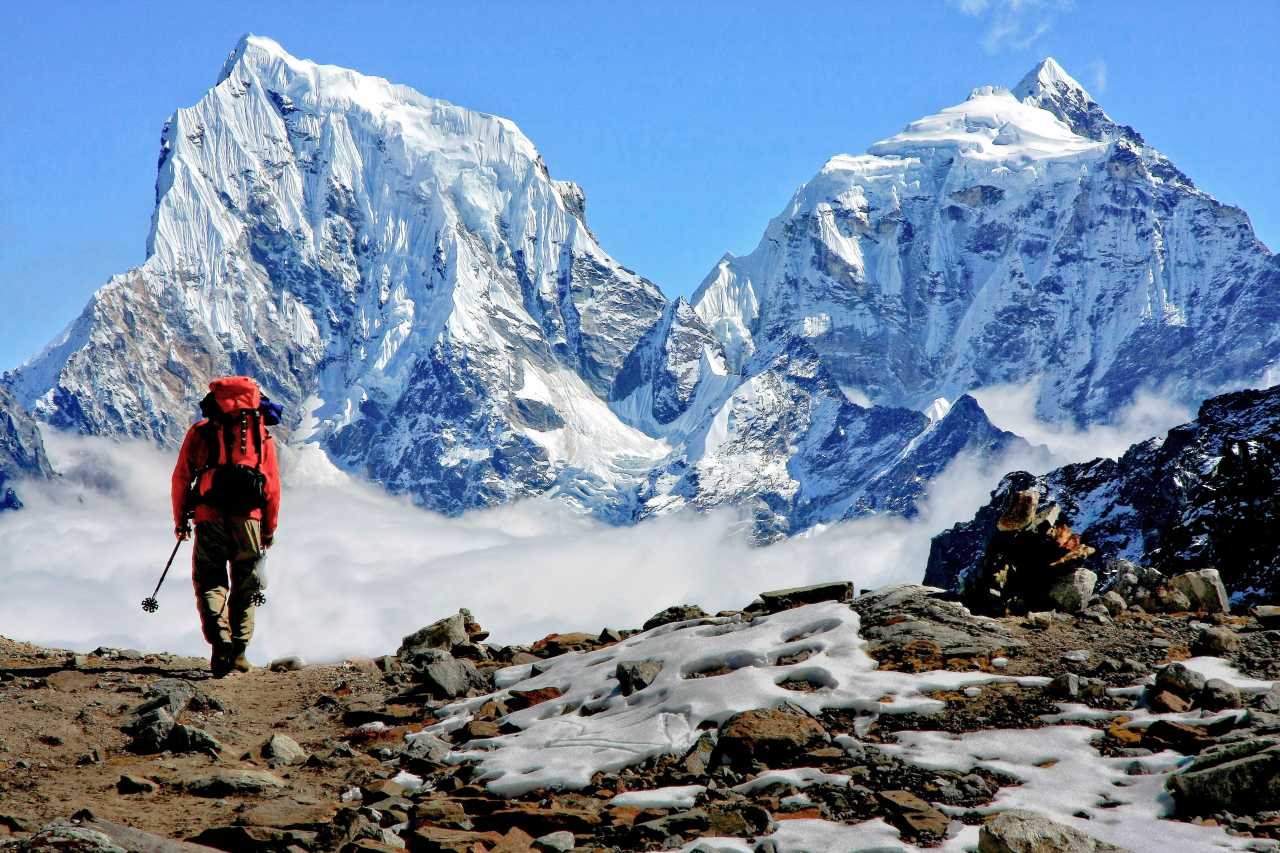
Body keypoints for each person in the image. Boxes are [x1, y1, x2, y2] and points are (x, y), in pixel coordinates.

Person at [170, 376, 281, 677]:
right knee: (247, 582)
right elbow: (271, 488)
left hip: (209, 516)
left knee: (210, 580)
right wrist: (268, 529)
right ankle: (240, 652)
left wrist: (181, 521)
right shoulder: (261, 437)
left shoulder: (200, 433)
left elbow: (181, 478)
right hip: (249, 519)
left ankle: (220, 643)